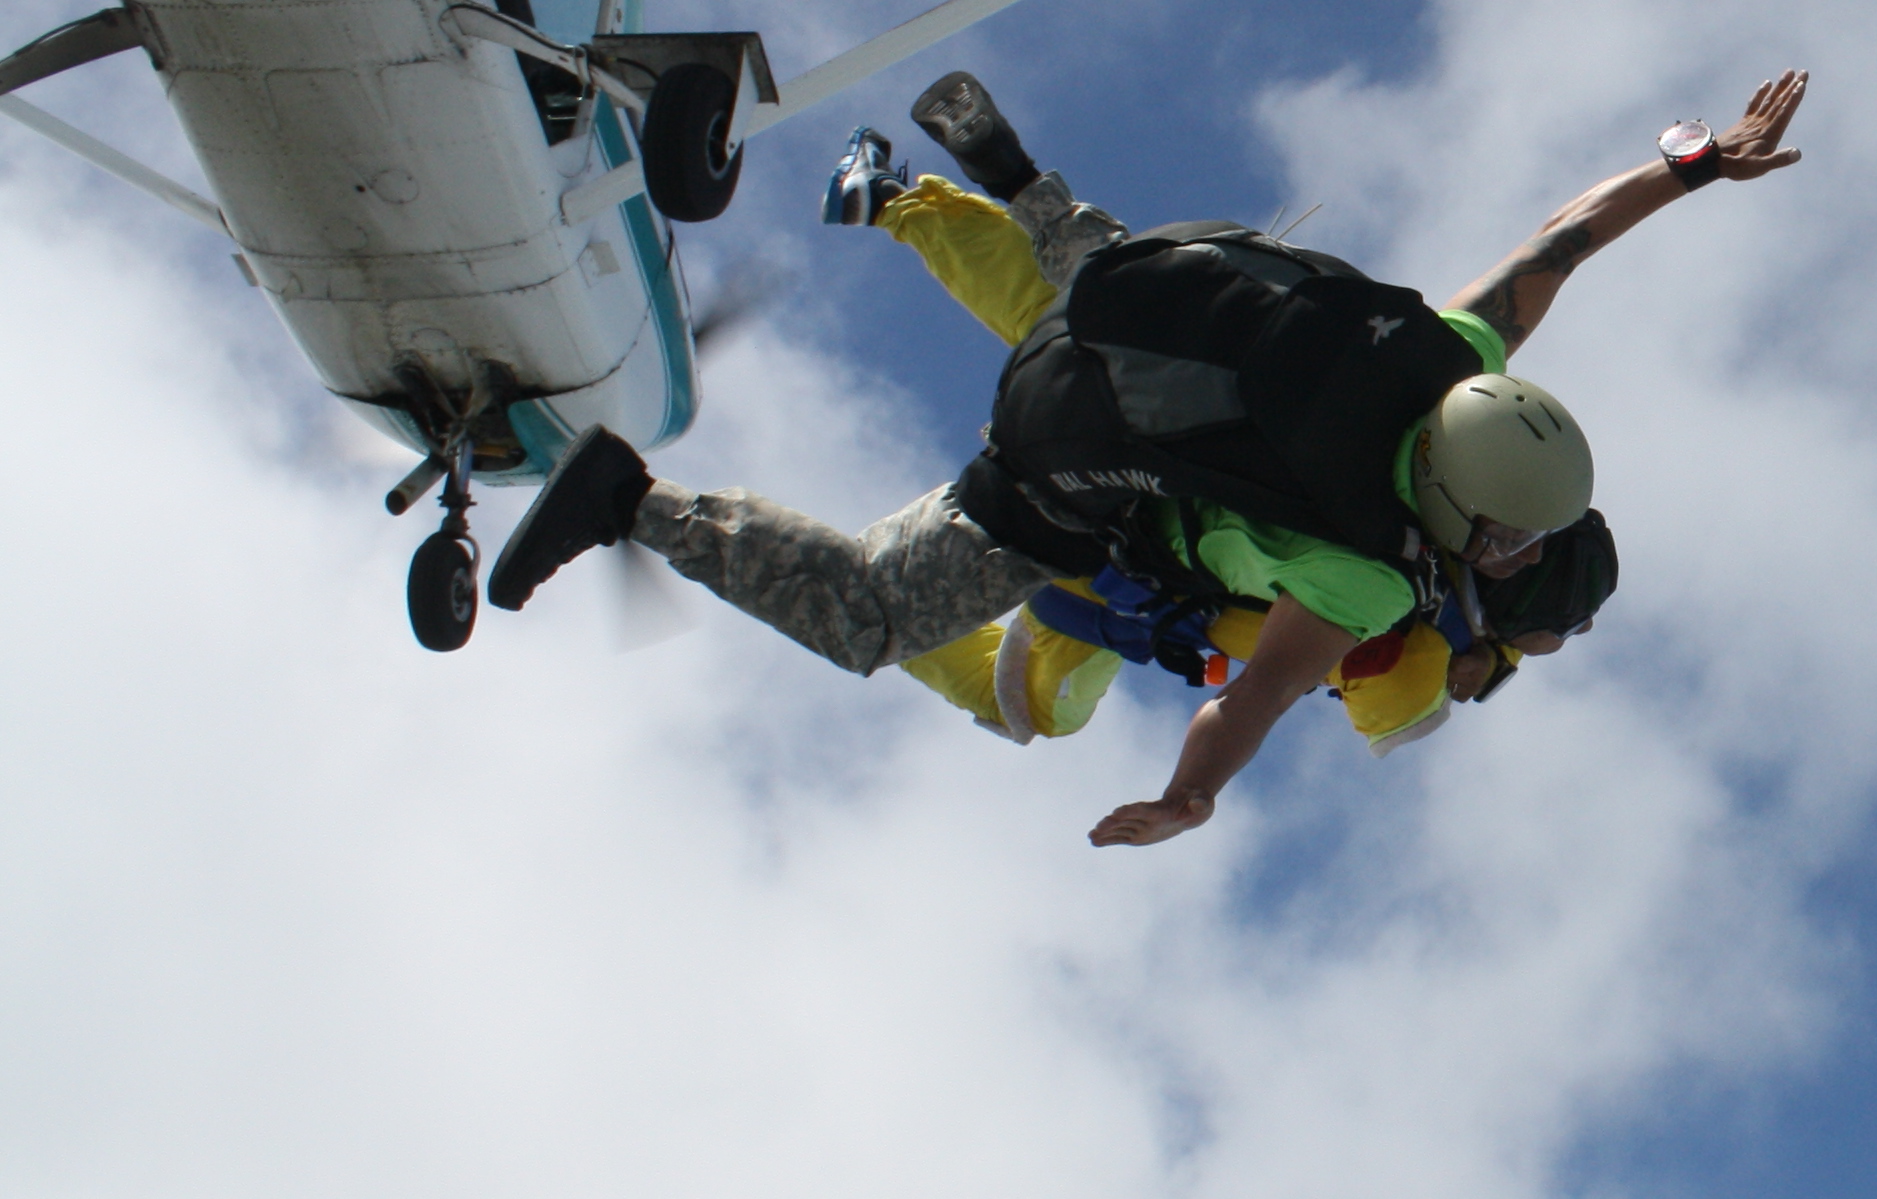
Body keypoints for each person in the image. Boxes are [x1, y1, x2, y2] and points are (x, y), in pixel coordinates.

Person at [487, 64, 1807, 845]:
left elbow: (1562, 240)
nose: (1511, 548)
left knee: (1131, 279)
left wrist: (1695, 166)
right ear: (1465, 506)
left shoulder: (1459, 357)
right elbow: (1252, 700)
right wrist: (1189, 799)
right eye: (1511, 534)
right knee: (868, 615)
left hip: (1133, 300)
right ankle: (634, 503)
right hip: (1053, 476)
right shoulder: (1373, 583)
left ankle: (1018, 183)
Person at [847, 156, 1615, 754]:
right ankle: (855, 588)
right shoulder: (1383, 611)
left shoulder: (1442, 403)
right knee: (1027, 706)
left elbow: (1549, 254)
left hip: (1157, 416)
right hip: (1101, 550)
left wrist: (1694, 166)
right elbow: (1392, 708)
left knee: (1067, 311)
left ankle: (893, 198)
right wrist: (1480, 662)